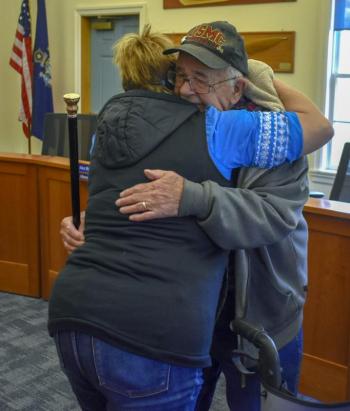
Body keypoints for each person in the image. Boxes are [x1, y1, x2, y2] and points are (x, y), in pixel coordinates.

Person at [57, 23, 333, 411]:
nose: (186, 90)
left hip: (261, 311)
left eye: (201, 80)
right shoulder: (178, 122)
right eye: (181, 76)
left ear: (238, 87)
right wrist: (93, 222)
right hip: (192, 313)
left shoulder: (274, 137)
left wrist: (196, 198)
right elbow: (134, 192)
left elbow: (272, 217)